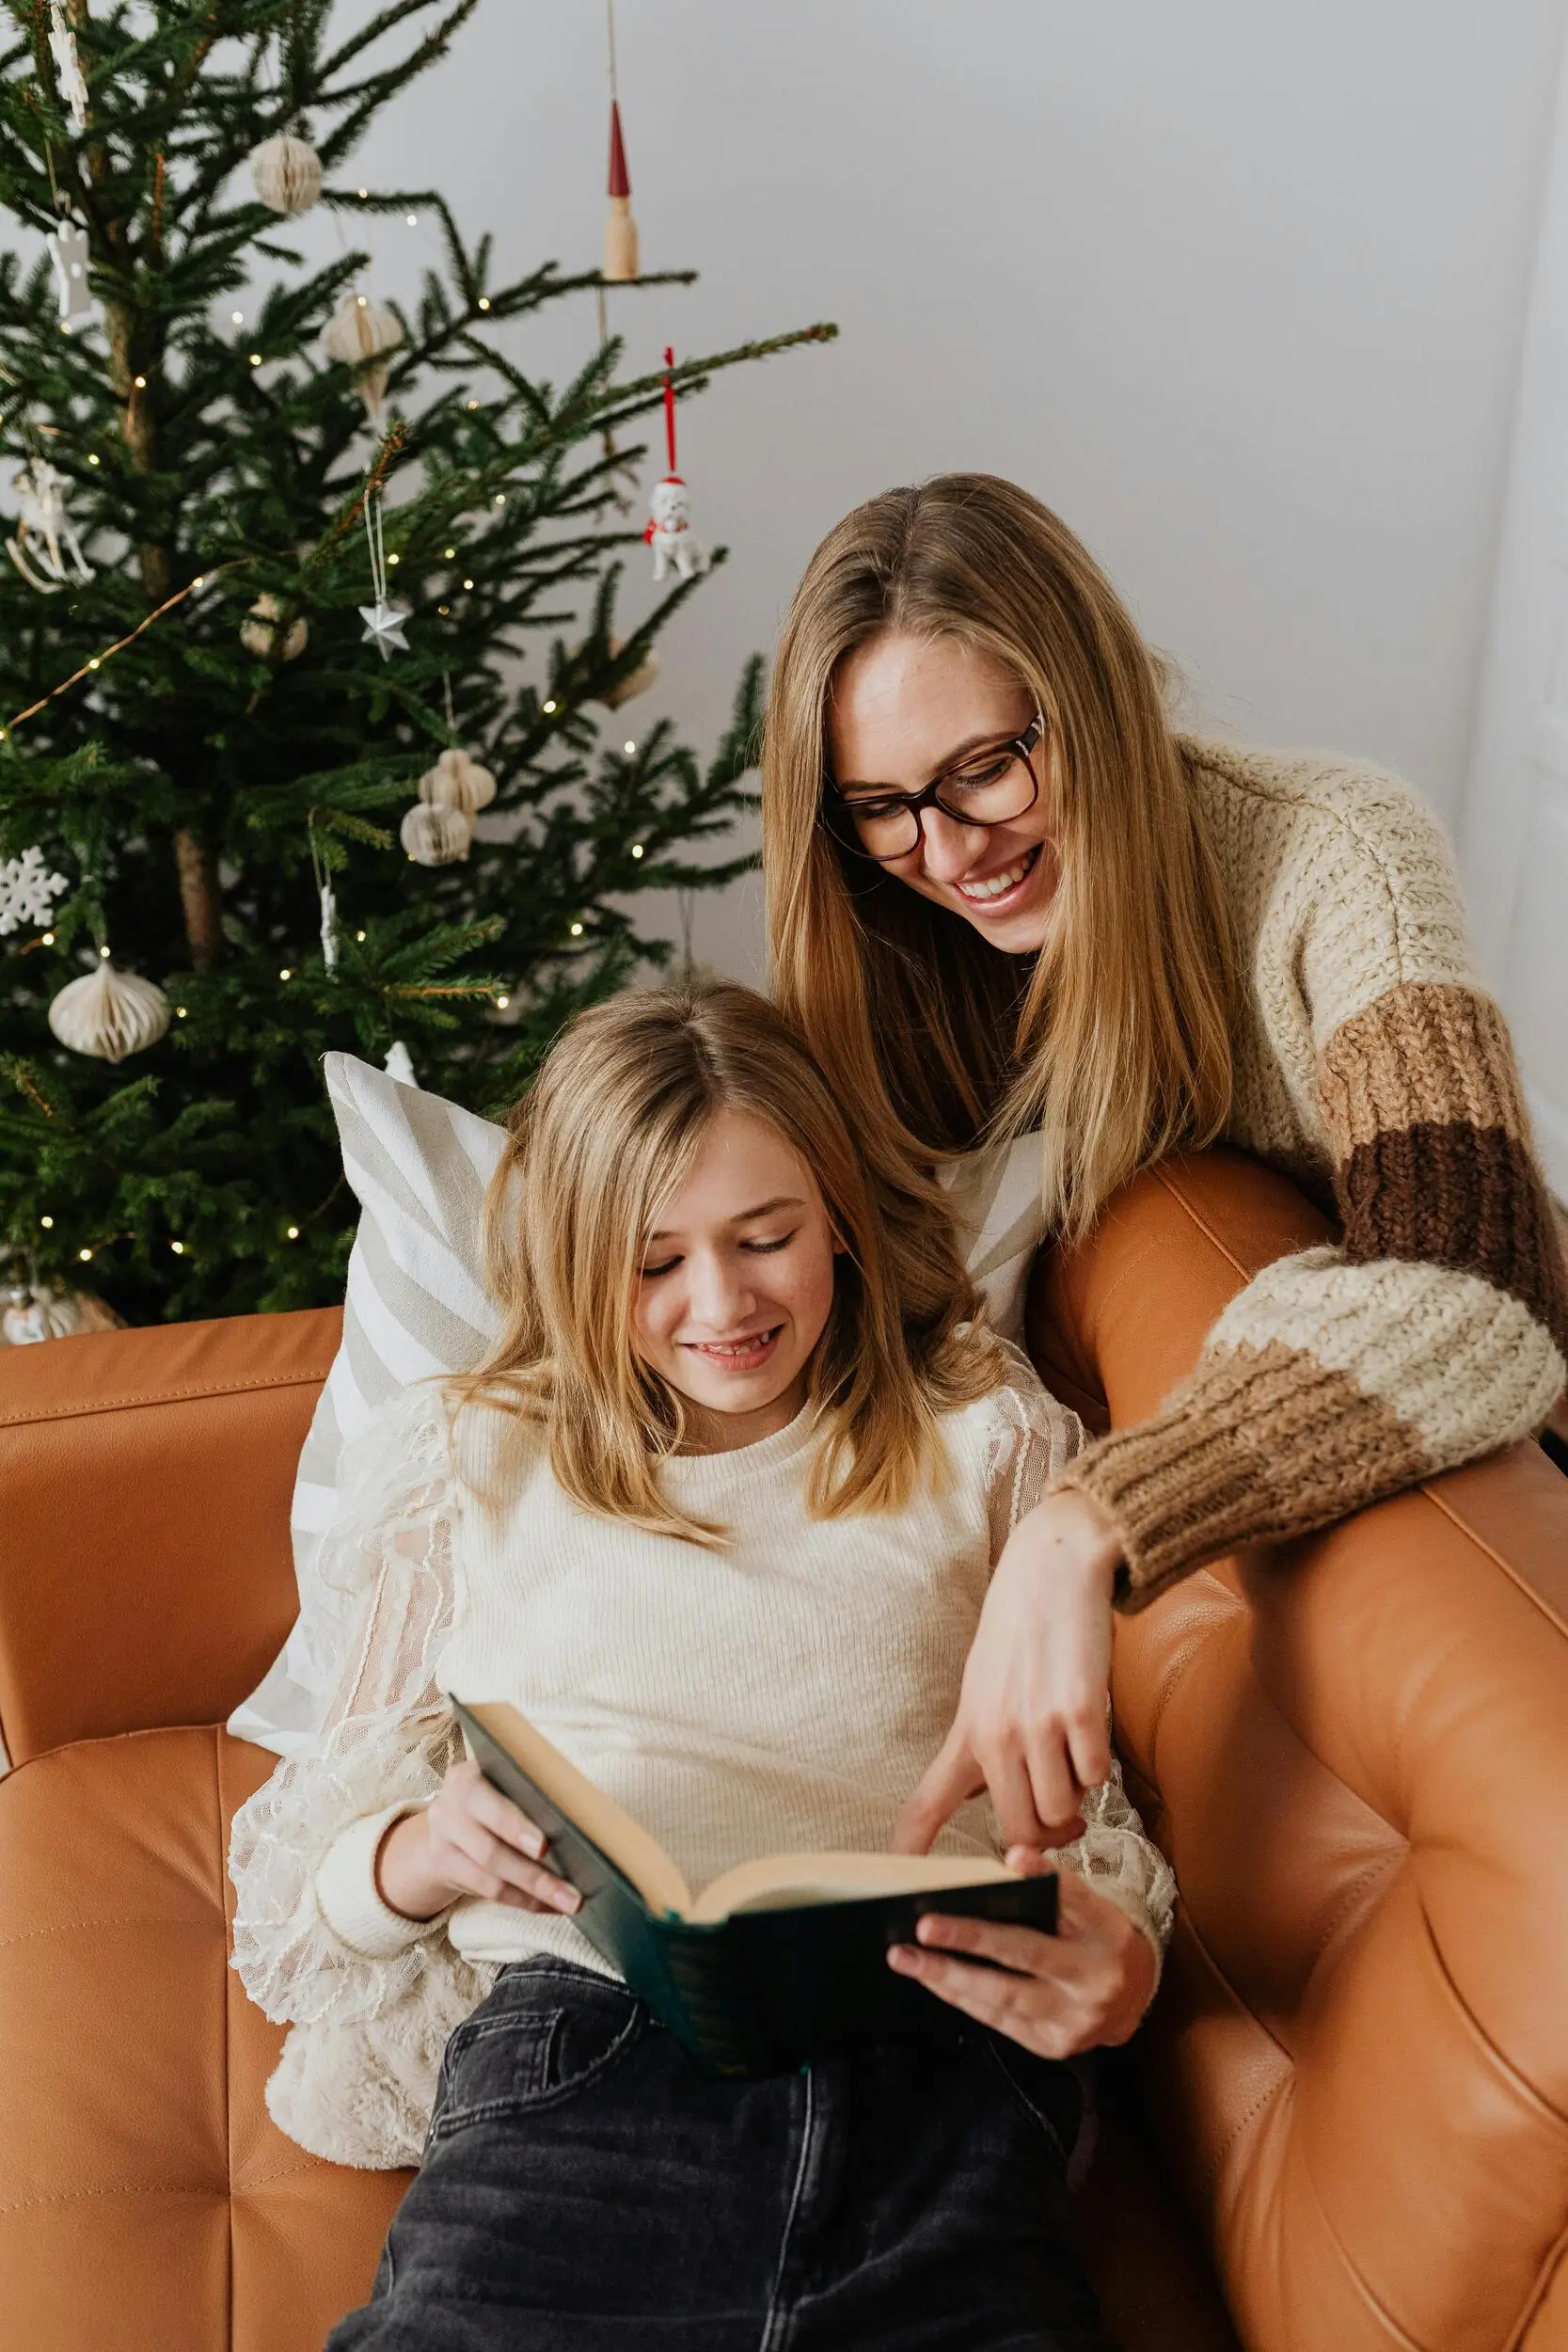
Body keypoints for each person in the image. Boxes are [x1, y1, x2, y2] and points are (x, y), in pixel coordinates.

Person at [229, 983, 1175, 2352]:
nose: (719, 1302)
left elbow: (1089, 1827)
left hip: (931, 2056)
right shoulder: (469, 1457)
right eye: (652, 1260)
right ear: (569, 1259)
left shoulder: (981, 1429)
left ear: (840, 1216)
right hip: (580, 2054)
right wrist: (412, 1857)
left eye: (765, 1237)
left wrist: (1121, 1958)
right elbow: (295, 1897)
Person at [763, 472, 1568, 1864]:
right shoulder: (893, 939)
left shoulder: (1338, 861)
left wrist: (1096, 1520)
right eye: (883, 806)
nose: (951, 853)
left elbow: (1478, 1286)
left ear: (1091, 694)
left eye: (985, 768)